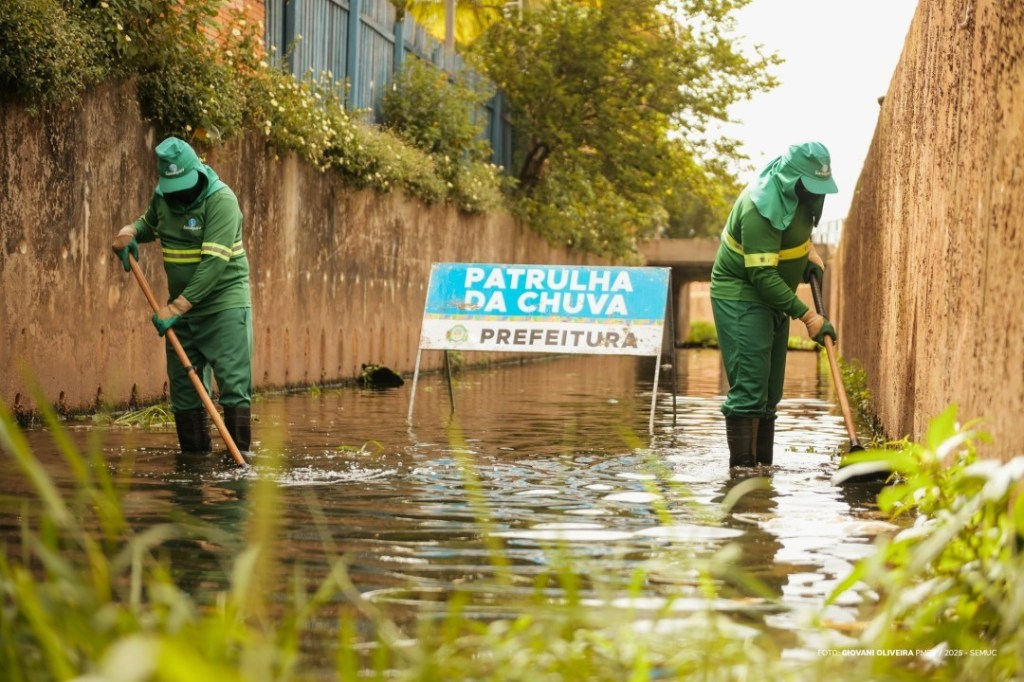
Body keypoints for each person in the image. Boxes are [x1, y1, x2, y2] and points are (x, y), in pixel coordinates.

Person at [111, 137, 253, 456]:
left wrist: (176, 308)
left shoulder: (221, 201)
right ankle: (194, 462)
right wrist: (129, 233)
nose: (178, 195)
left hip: (223, 307)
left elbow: (213, 265)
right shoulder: (164, 198)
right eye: (172, 188)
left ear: (198, 172)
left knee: (233, 386)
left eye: (183, 187)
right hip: (180, 313)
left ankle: (238, 463)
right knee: (185, 392)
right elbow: (149, 223)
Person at [709, 141, 838, 468]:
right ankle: (742, 478)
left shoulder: (804, 196)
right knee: (750, 389)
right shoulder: (759, 208)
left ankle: (763, 475)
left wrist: (806, 256)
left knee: (769, 394)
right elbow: (762, 275)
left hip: (775, 297)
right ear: (792, 179)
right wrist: (808, 316)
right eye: (810, 185)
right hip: (743, 296)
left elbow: (792, 235)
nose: (815, 193)